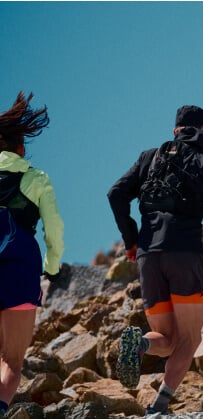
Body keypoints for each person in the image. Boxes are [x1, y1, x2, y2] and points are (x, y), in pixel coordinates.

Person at [108, 105, 203, 415]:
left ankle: (140, 344)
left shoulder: (149, 158)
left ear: (175, 131)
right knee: (189, 338)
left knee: (166, 339)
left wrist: (131, 240)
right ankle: (159, 405)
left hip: (148, 257)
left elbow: (116, 193)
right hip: (185, 254)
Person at [0, 92, 64, 416]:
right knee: (12, 360)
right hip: (21, 270)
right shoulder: (36, 178)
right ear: (21, 148)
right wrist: (52, 268)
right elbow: (54, 229)